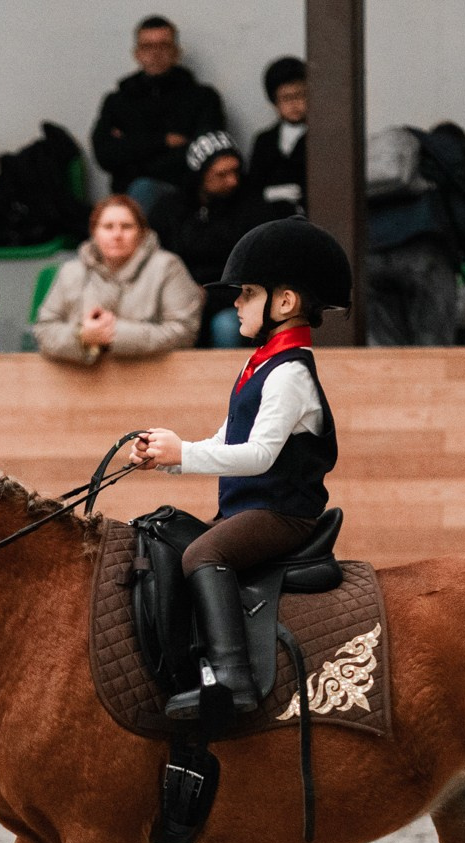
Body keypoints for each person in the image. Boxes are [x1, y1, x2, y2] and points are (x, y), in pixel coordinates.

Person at [127, 218, 351, 719]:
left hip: (283, 514)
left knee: (203, 554)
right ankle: (194, 665)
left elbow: (258, 457)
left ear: (285, 302)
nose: (236, 303)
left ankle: (232, 680)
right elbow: (224, 443)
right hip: (251, 508)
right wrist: (165, 459)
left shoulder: (291, 374)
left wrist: (182, 452)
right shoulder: (260, 366)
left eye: (247, 293)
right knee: (175, 542)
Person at [32, 195, 202, 365]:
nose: (117, 234)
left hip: (153, 378)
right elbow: (43, 330)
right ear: (94, 232)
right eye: (108, 227)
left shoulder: (167, 267)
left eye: (127, 227)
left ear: (142, 233)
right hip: (81, 381)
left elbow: (185, 332)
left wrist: (114, 334)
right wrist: (82, 336)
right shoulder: (71, 271)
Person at [91, 15, 227, 216]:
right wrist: (163, 141)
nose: (155, 53)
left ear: (176, 52)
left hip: (184, 194)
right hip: (127, 196)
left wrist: (130, 148)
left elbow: (204, 154)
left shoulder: (203, 98)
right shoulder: (117, 100)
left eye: (163, 46)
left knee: (143, 189)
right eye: (147, 47)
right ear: (137, 54)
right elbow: (104, 154)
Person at [150, 132, 270, 348]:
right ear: (200, 176)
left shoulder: (253, 209)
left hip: (232, 298)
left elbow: (260, 273)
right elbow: (153, 259)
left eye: (235, 171)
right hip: (177, 296)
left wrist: (210, 296)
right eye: (221, 174)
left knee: (227, 326)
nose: (233, 180)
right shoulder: (169, 209)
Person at [249, 57, 307, 212]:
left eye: (300, 95)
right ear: (274, 101)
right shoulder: (264, 141)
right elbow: (253, 187)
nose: (294, 104)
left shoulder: (320, 138)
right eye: (286, 98)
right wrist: (269, 194)